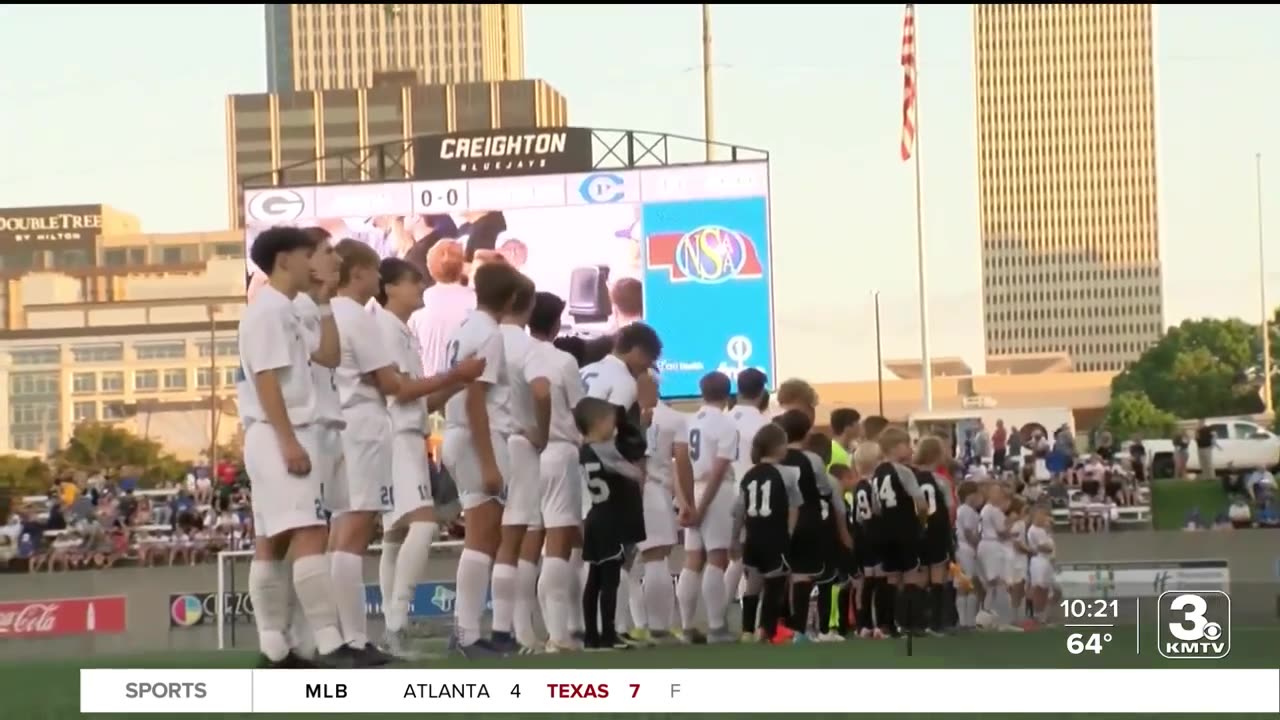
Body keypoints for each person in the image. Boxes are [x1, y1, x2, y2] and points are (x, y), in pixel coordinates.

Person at [237, 226, 355, 668]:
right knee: (308, 533)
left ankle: (275, 647)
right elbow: (266, 379)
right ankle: (328, 641)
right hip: (279, 432)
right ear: (284, 260)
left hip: (279, 432)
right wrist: (288, 441)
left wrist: (324, 301)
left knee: (271, 540)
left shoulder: (283, 310)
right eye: (309, 255)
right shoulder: (267, 311)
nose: (316, 264)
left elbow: (327, 356)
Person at [373, 257, 483, 657]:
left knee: (396, 533)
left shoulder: (403, 330)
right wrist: (455, 376)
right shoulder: (384, 328)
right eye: (412, 282)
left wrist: (461, 378)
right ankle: (397, 621)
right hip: (394, 435)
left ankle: (393, 622)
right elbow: (401, 390)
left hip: (407, 433)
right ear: (389, 288)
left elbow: (423, 396)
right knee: (421, 525)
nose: (420, 288)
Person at [325, 240, 412, 662]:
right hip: (362, 424)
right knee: (353, 536)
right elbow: (392, 384)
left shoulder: (326, 315)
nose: (379, 279)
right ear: (358, 272)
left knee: (341, 533)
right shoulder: (356, 316)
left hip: (338, 426)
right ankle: (354, 640)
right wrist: (456, 376)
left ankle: (337, 636)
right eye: (376, 271)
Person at [440, 261, 527, 657]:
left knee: (484, 536)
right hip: (480, 435)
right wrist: (490, 462)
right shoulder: (489, 334)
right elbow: (477, 395)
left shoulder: (463, 329)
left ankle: (467, 630)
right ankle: (466, 633)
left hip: (458, 432)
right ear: (511, 299)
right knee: (482, 536)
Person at [283, 226, 341, 660]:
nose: (332, 261)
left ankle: (304, 638)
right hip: (306, 428)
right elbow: (323, 356)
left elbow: (331, 356)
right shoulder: (294, 307)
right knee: (306, 534)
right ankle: (303, 638)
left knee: (316, 535)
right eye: (325, 253)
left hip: (323, 426)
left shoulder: (314, 305)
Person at [523, 292, 587, 653]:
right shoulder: (562, 361)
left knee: (535, 541)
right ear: (556, 323)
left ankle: (533, 630)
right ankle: (559, 634)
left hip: (527, 452)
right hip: (560, 450)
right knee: (559, 542)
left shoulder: (518, 354)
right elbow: (580, 411)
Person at [489, 274, 540, 654]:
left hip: (483, 438)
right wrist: (537, 428)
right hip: (520, 442)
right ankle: (510, 629)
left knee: (491, 538)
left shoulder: (478, 336)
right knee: (521, 535)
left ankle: (501, 627)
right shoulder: (527, 347)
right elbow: (540, 391)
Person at [624, 370, 693, 646]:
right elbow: (681, 462)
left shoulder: (619, 413)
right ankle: (658, 626)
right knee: (655, 559)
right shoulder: (673, 419)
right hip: (653, 490)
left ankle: (635, 625)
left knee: (624, 563)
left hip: (628, 489)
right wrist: (686, 500)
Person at [676, 371, 740, 644]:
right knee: (717, 558)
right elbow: (719, 469)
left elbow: (677, 465)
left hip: (691, 487)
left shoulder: (687, 421)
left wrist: (685, 502)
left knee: (692, 560)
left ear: (702, 392)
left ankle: (687, 625)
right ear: (727, 395)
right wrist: (701, 506)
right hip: (716, 492)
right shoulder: (725, 424)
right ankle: (716, 627)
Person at [577, 396, 645, 651]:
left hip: (595, 514)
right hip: (611, 519)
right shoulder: (605, 449)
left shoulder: (583, 450)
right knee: (609, 580)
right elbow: (634, 472)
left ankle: (591, 635)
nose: (613, 426)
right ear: (597, 423)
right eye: (609, 421)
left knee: (594, 579)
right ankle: (608, 633)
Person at [736, 422, 802, 643]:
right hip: (775, 536)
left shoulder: (748, 475)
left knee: (752, 585)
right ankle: (766, 630)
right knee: (775, 584)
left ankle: (746, 630)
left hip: (753, 536)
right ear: (778, 447)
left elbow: (739, 511)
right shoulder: (789, 474)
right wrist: (790, 532)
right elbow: (794, 505)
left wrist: (735, 538)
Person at [775, 408, 834, 642]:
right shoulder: (813, 459)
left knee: (779, 574)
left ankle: (777, 627)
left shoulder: (776, 458)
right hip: (807, 518)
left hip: (779, 519)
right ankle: (798, 628)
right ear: (807, 433)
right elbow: (825, 489)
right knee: (802, 574)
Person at [869, 427, 929, 637]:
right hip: (905, 527)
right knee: (912, 573)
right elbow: (920, 502)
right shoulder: (903, 471)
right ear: (895, 447)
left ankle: (887, 624)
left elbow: (876, 507)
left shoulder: (877, 473)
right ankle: (913, 623)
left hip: (885, 529)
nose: (911, 448)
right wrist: (922, 523)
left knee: (891, 577)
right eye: (907, 444)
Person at [727, 368, 770, 638]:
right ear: (763, 390)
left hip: (727, 489)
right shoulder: (764, 425)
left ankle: (720, 618)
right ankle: (757, 625)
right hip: (757, 493)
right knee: (758, 562)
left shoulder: (725, 419)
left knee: (734, 558)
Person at [410, 239, 475, 377]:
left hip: (427, 387)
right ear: (463, 266)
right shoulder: (477, 305)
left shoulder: (416, 313)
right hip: (466, 386)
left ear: (430, 267)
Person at [910, 435, 954, 635]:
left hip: (918, 532)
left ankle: (916, 622)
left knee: (920, 577)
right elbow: (951, 509)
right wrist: (950, 532)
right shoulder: (942, 481)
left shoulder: (911, 478)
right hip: (937, 531)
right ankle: (935, 623)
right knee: (937, 575)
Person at [848, 442, 885, 639]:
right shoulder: (874, 485)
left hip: (860, 537)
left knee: (865, 582)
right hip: (875, 534)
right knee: (877, 582)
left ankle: (863, 625)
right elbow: (877, 510)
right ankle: (878, 624)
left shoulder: (857, 487)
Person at [977, 483, 1012, 627]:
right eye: (997, 492)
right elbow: (1002, 531)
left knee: (992, 584)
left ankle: (987, 616)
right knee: (999, 582)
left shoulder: (985, 509)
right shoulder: (993, 510)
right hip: (992, 545)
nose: (1000, 495)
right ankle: (1002, 619)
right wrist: (1011, 524)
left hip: (986, 544)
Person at [952, 480, 984, 629]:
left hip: (959, 549)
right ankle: (968, 620)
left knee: (962, 584)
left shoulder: (961, 510)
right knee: (968, 584)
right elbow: (969, 532)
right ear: (971, 495)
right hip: (966, 549)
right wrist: (977, 545)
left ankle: (964, 620)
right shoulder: (968, 511)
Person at [1026, 506, 1057, 623]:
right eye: (1042, 515)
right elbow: (1043, 547)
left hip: (1047, 561)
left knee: (1045, 588)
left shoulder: (1044, 530)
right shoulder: (1033, 530)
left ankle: (1042, 614)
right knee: (1038, 587)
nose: (1044, 518)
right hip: (1039, 560)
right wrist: (1048, 548)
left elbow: (1051, 547)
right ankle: (1034, 613)